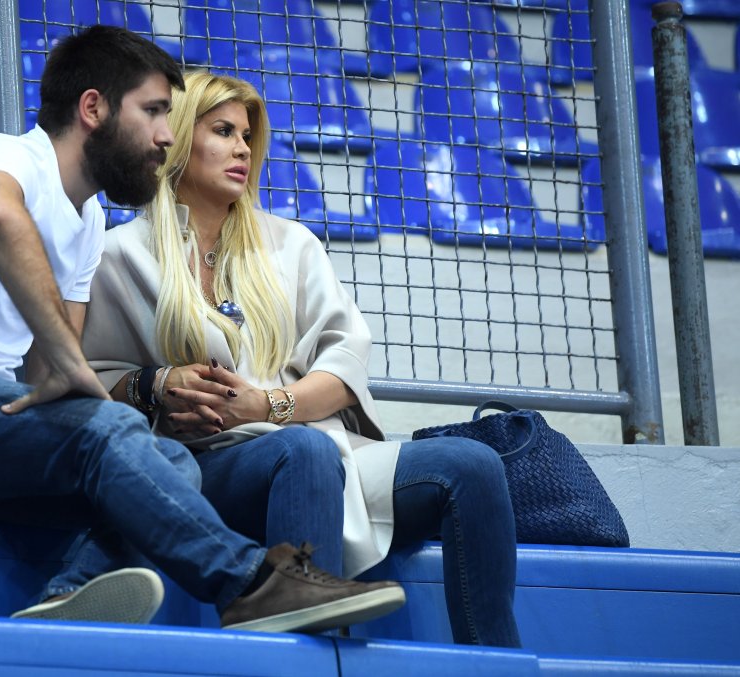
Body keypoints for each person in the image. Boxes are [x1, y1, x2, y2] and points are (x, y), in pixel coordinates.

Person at [0, 26, 406, 634]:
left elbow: (54, 382)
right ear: (93, 108)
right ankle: (252, 587)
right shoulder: (8, 156)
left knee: (168, 463)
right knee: (112, 434)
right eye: (153, 111)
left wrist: (143, 396)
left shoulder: (87, 223)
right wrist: (77, 373)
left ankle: (67, 600)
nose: (167, 135)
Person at [81, 71, 522, 647]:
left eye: (247, 136)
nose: (243, 148)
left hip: (316, 446)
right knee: (303, 451)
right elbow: (93, 382)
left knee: (474, 464)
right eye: (223, 131)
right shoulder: (121, 254)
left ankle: (496, 659)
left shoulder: (291, 244)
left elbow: (344, 365)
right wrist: (157, 384)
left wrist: (268, 404)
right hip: (204, 466)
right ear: (180, 139)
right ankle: (314, 652)